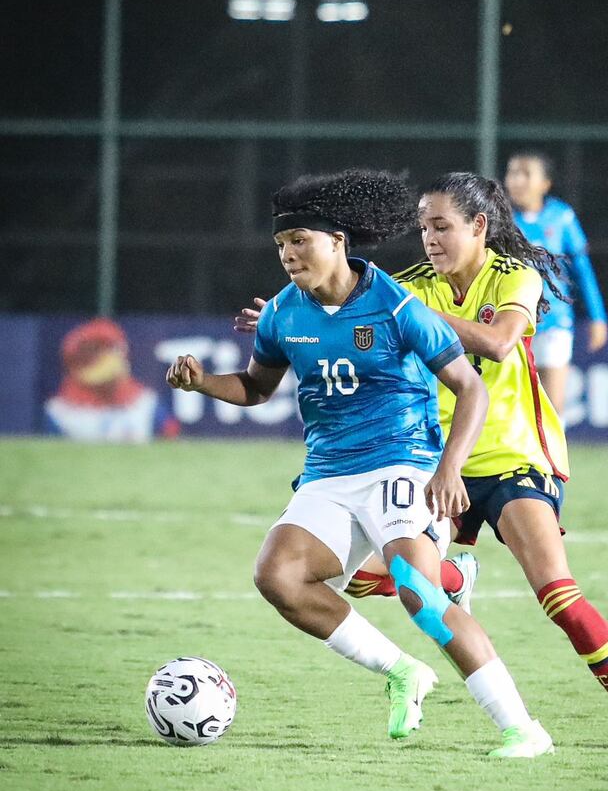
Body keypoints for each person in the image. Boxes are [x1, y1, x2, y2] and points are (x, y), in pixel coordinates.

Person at [236, 172, 608, 753]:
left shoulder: (511, 276)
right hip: (434, 456)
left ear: (479, 227)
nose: (429, 239)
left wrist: (398, 313)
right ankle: (456, 580)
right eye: (422, 228)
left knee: (556, 594)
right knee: (380, 581)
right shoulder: (410, 286)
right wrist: (309, 313)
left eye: (442, 226)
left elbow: (497, 344)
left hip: (509, 455)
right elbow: (346, 308)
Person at [169, 169, 554, 758]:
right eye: (281, 244)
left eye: (301, 240)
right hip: (329, 471)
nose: (289, 254)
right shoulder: (281, 315)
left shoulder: (397, 305)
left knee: (418, 592)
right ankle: (403, 672)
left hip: (402, 460)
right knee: (278, 576)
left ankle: (523, 729)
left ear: (337, 241)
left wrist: (450, 470)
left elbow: (469, 388)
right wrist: (203, 384)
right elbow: (254, 387)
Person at [505, 151, 608, 416]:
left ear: (545, 184)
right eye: (512, 173)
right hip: (510, 320)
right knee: (514, 402)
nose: (517, 180)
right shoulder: (501, 220)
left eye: (526, 174)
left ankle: (551, 457)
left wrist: (598, 317)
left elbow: (582, 269)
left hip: (554, 319)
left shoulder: (562, 217)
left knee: (552, 406)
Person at [45, 318, 179, 442]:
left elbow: (171, 439)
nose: (103, 358)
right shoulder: (59, 412)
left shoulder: (146, 403)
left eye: (107, 349)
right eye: (93, 351)